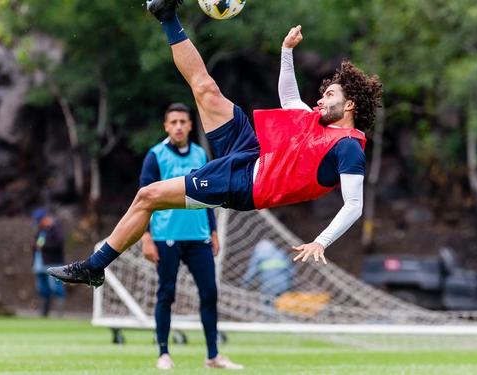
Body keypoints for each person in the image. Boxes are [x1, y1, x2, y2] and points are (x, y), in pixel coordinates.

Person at [48, 2, 382, 287]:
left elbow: (354, 205)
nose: (320, 100)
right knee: (205, 88)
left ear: (350, 105)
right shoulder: (314, 120)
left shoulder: (348, 146)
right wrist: (286, 52)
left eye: (329, 95)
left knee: (147, 196)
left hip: (244, 184)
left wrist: (321, 241)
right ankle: (166, 15)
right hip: (251, 151)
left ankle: (95, 267)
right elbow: (290, 98)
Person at [139, 103, 241, 370]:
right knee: (166, 293)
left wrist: (214, 230)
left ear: (190, 125)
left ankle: (213, 355)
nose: (179, 126)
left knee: (209, 293)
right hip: (166, 237)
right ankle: (163, 352)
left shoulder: (199, 155)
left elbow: (206, 197)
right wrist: (146, 236)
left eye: (183, 122)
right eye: (173, 122)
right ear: (166, 126)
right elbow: (143, 200)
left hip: (199, 237)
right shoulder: (155, 156)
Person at [31, 208, 66, 317]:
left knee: (56, 287)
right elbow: (36, 244)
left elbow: (59, 243)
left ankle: (60, 314)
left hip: (53, 263)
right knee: (42, 288)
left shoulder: (56, 228)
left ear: (44, 219)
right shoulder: (41, 231)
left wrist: (43, 247)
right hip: (40, 264)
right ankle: (44, 313)